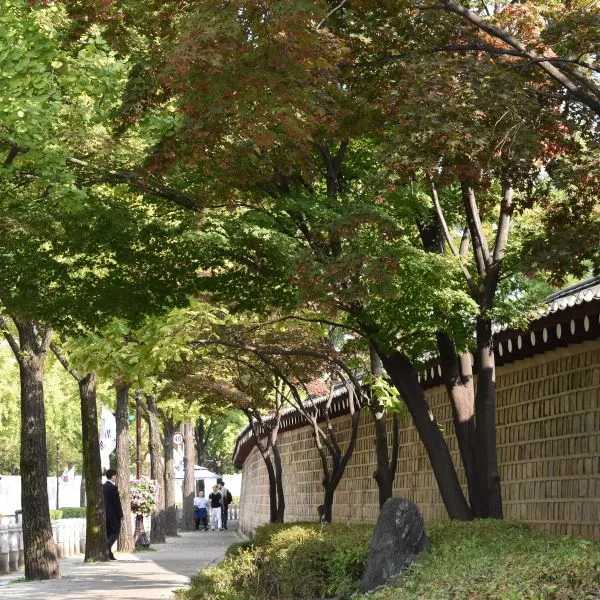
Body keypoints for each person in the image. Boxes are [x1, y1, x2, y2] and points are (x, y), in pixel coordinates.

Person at [102, 469, 123, 560]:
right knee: (115, 532)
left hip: (104, 514)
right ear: (113, 476)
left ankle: (109, 554)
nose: (116, 478)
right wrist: (121, 514)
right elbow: (116, 503)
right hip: (113, 515)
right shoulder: (113, 488)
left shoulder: (103, 486)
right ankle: (106, 548)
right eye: (116, 476)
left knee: (108, 533)